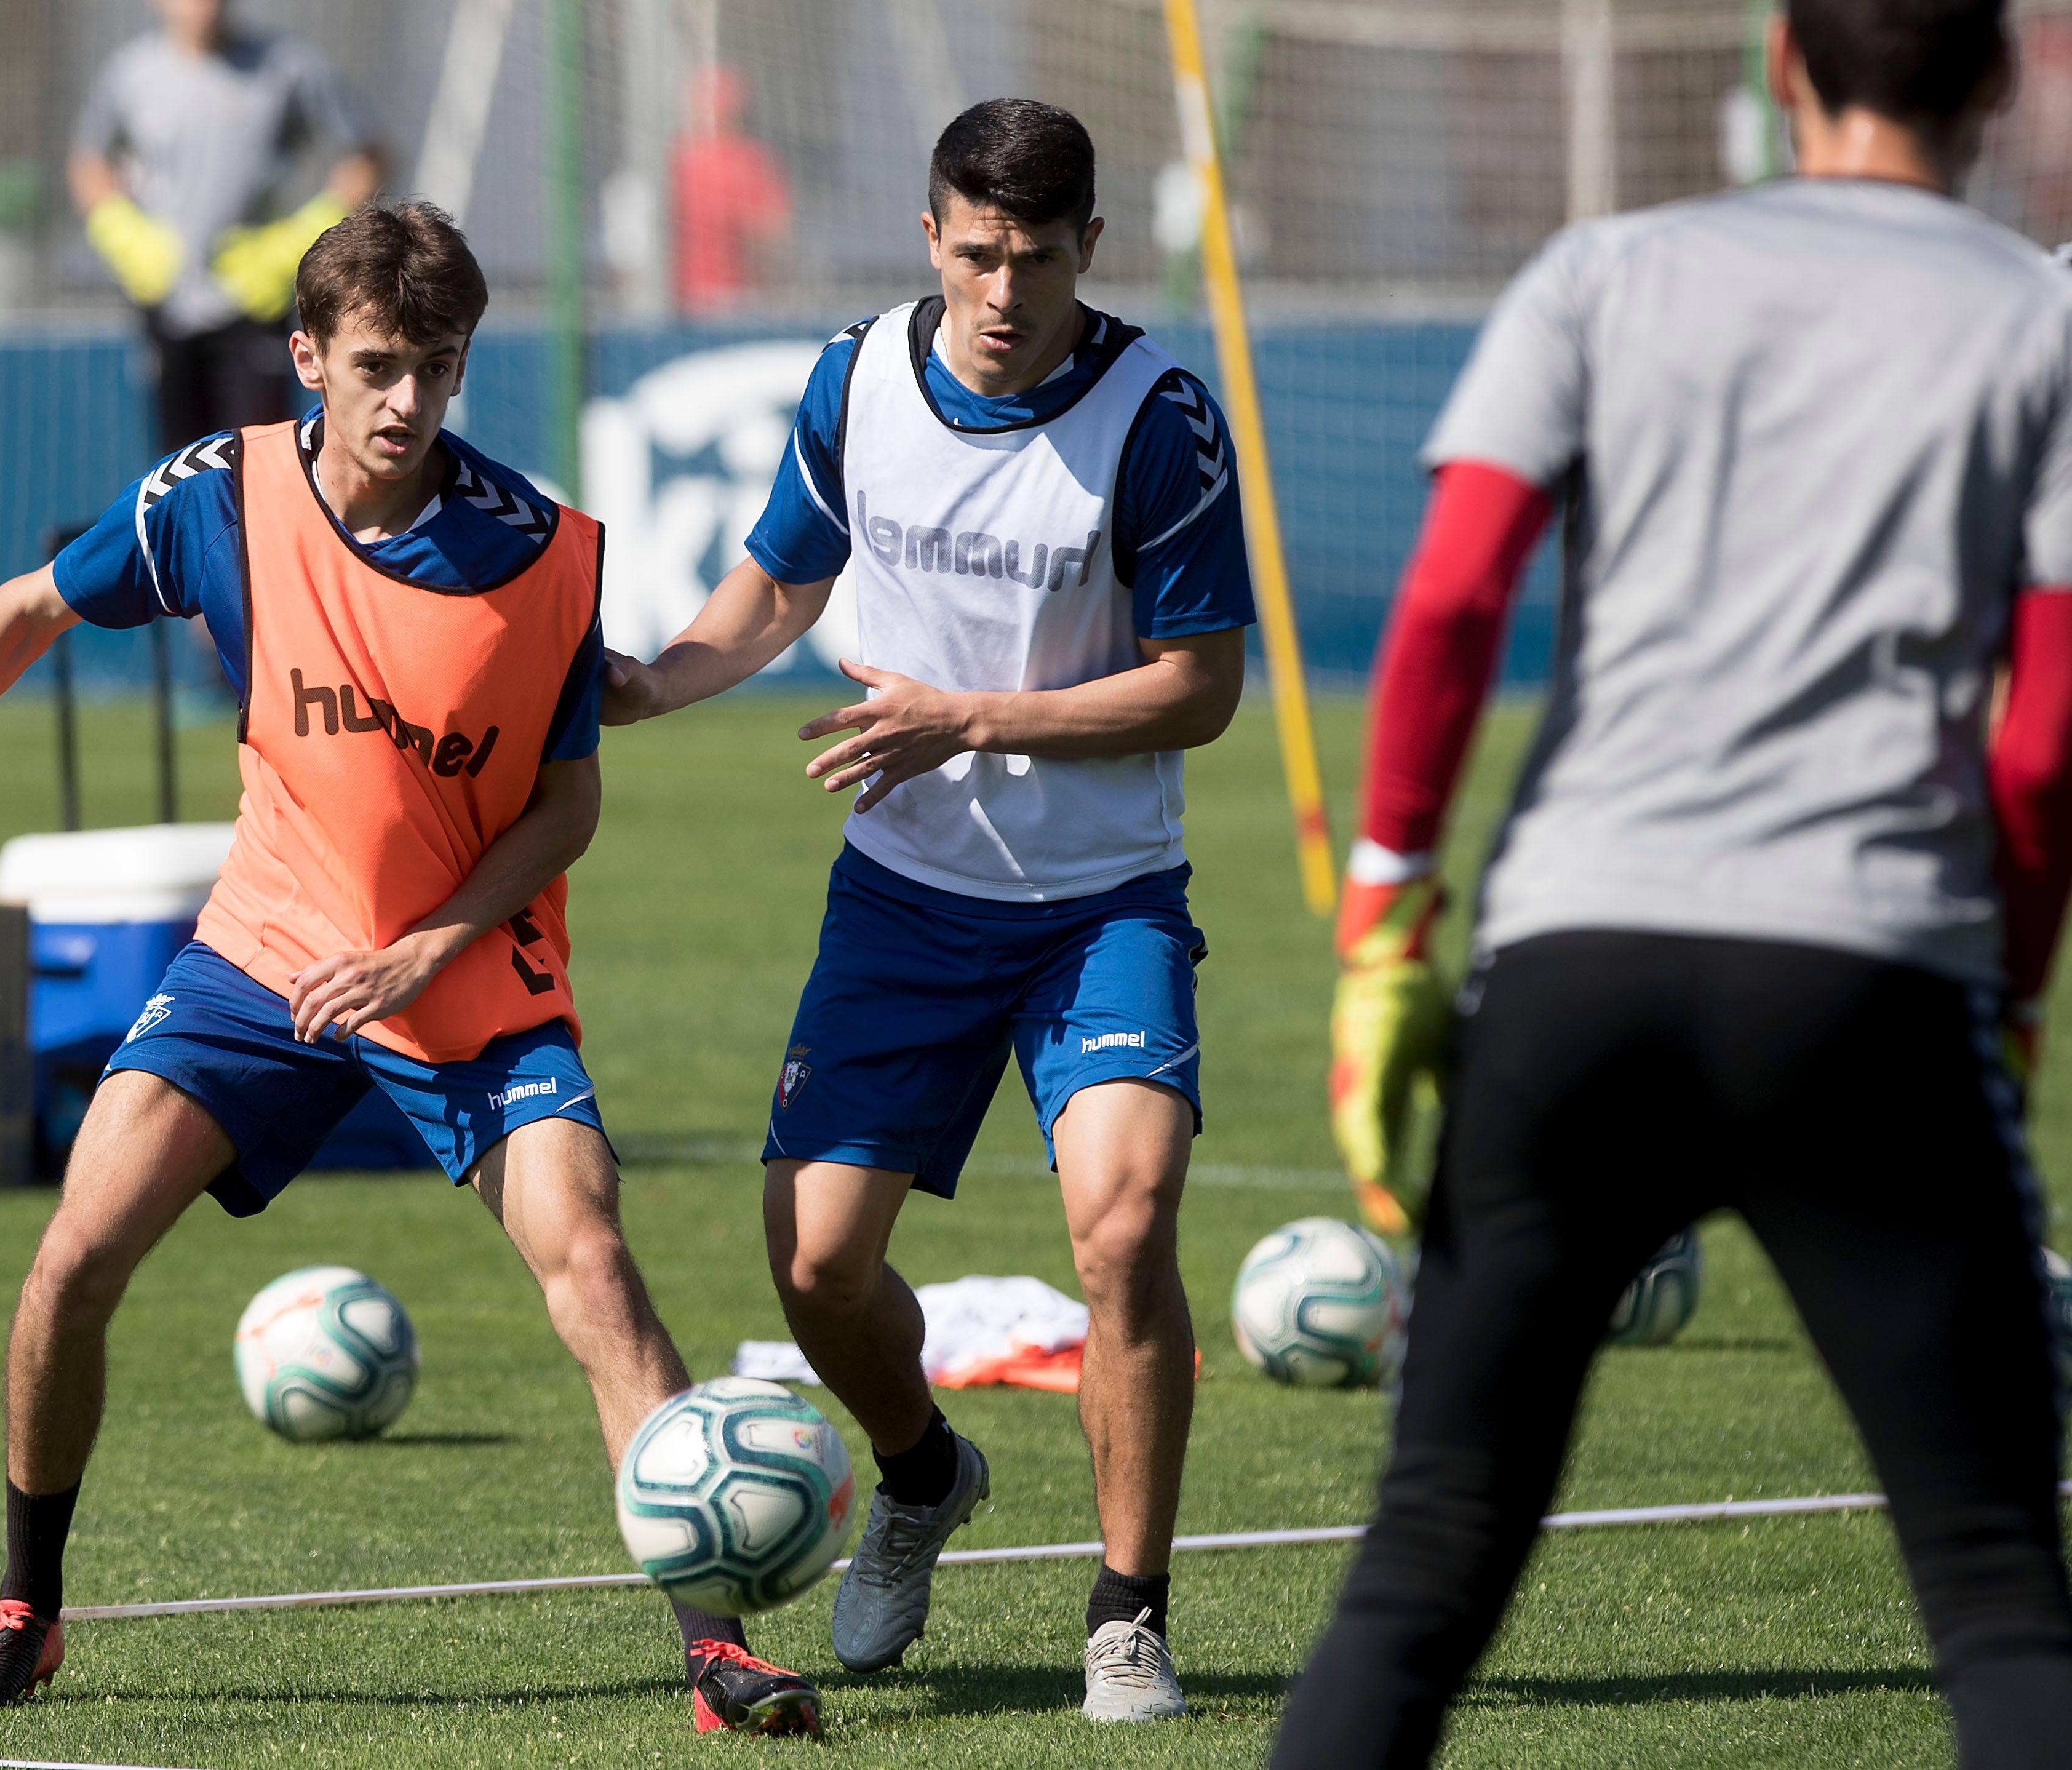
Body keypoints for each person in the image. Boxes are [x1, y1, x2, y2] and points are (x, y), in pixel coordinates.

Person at [0, 202, 821, 1738]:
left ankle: (717, 1649)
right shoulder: (218, 497)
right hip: (263, 953)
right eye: (382, 365)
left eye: (442, 366)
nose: (410, 402)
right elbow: (27, 611)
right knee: (72, 1260)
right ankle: (26, 1609)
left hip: (467, 974)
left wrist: (428, 947)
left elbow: (567, 801)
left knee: (594, 1272)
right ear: (309, 360)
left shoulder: (540, 553)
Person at [1278, 1, 2072, 1763]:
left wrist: (1387, 911)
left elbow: (1454, 599)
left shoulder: (1602, 269)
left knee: (1419, 1571)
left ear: (1780, 64)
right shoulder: (2037, 315)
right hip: (1866, 974)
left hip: (1576, 962)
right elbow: (2043, 737)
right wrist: (2007, 993)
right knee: (2000, 1588)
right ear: (2001, 83)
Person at [603, 99, 1256, 1722]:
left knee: (1123, 1220)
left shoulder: (1156, 417)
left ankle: (1127, 1614)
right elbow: (776, 581)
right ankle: (920, 1474)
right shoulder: (856, 377)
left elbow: (1198, 689)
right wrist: (651, 682)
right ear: (929, 237)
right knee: (816, 1269)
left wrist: (967, 715)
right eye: (975, 254)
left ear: (1087, 248)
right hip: (904, 899)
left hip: (1101, 900)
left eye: (1036, 258)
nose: (1003, 291)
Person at [71, 0, 385, 452]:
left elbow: (369, 155)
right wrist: (121, 233)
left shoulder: (287, 65)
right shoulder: (130, 73)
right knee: (177, 472)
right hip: (168, 304)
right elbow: (88, 161)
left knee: (261, 463)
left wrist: (305, 240)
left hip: (253, 306)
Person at [669, 65, 791, 317]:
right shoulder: (679, 161)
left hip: (726, 299)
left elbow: (769, 232)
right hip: (696, 299)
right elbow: (771, 234)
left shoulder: (746, 160)